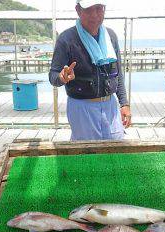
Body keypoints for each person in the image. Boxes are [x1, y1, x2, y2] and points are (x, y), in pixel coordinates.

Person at [49, 0, 131, 140]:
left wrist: (124, 103)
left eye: (99, 8)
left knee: (116, 150)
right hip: (81, 107)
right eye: (88, 10)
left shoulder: (110, 36)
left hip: (110, 106)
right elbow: (53, 75)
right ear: (78, 10)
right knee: (85, 155)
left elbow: (118, 74)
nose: (94, 14)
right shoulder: (66, 39)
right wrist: (62, 78)